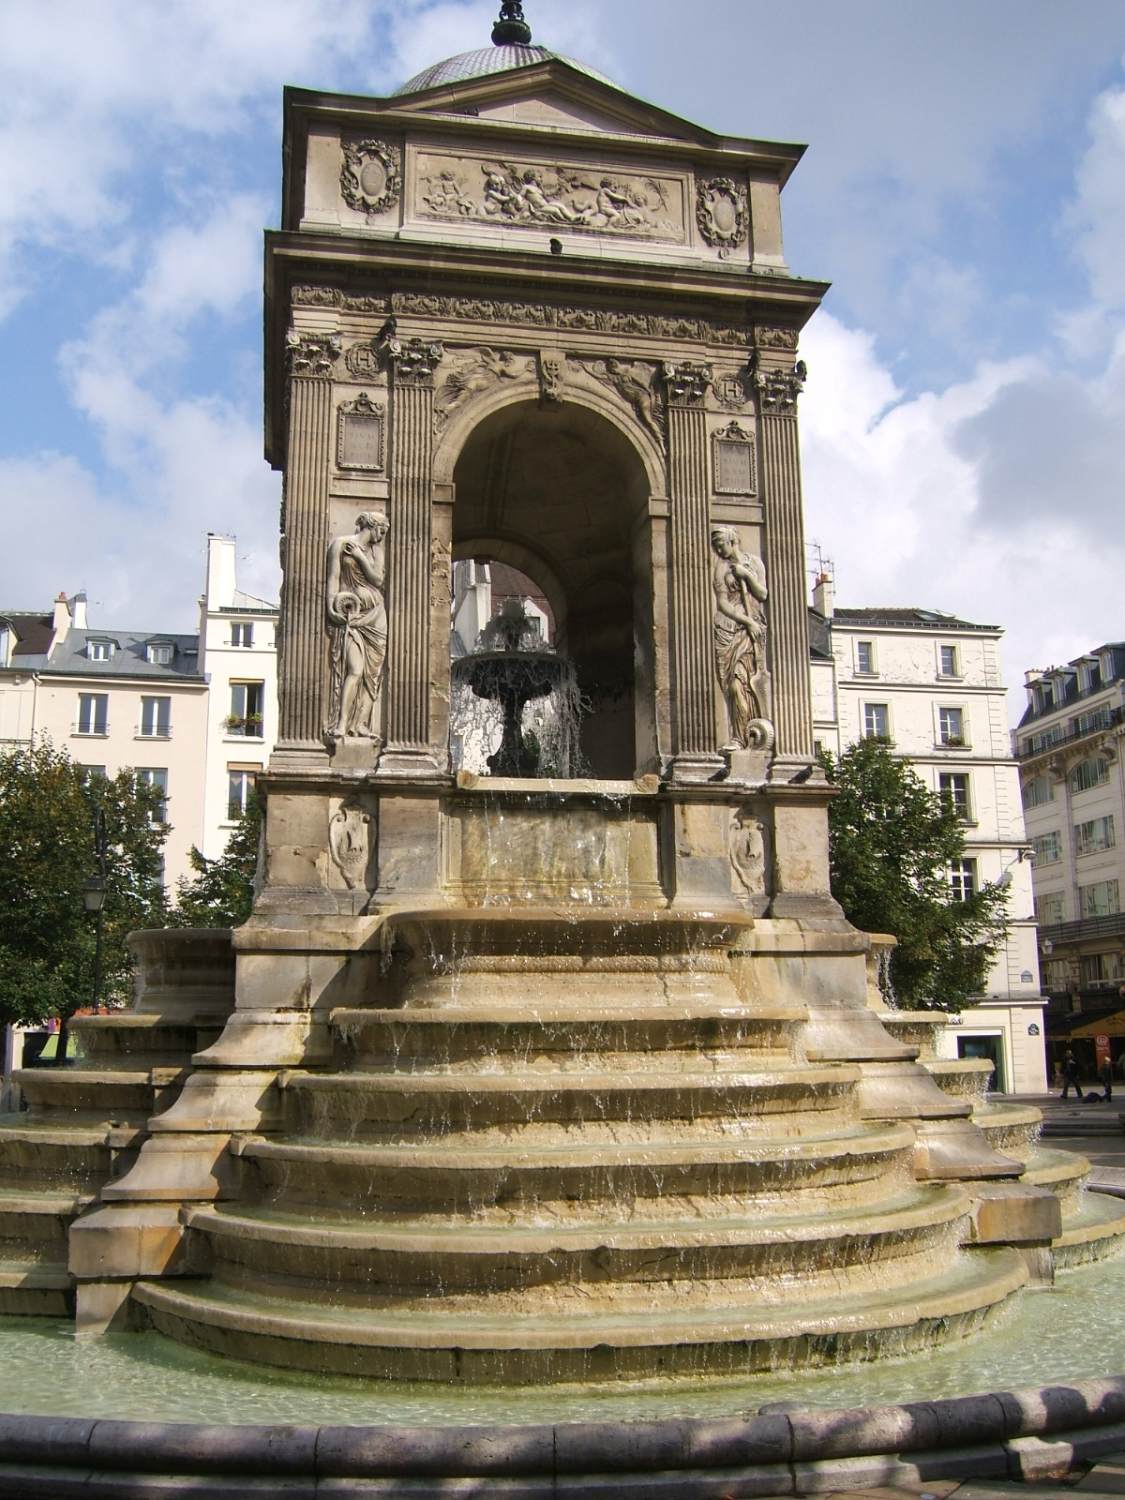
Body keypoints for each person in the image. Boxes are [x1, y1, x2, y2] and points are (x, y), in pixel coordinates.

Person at [325, 511, 389, 745]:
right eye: (381, 528)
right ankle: (342, 722)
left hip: (376, 616)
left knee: (372, 674)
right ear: (371, 525)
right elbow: (333, 578)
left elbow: (378, 581)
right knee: (355, 669)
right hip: (352, 613)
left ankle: (361, 723)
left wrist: (361, 558)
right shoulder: (340, 545)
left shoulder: (376, 552)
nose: (382, 534)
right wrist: (332, 606)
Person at [710, 526, 770, 752]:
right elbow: (723, 602)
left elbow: (763, 594)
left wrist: (747, 576)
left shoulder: (754, 563)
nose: (718, 549)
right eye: (715, 546)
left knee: (740, 684)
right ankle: (739, 736)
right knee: (731, 685)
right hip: (731, 627)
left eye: (721, 544)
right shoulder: (721, 568)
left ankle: (743, 737)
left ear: (732, 540)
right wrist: (746, 620)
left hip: (752, 629)